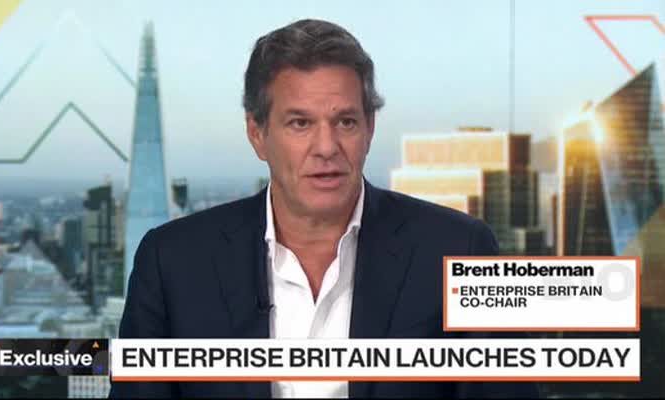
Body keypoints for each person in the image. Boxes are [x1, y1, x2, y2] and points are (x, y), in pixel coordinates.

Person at [110, 18, 540, 399]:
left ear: (369, 129)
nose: (326, 147)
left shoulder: (461, 250)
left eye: (345, 122)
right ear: (257, 134)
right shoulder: (173, 261)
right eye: (300, 123)